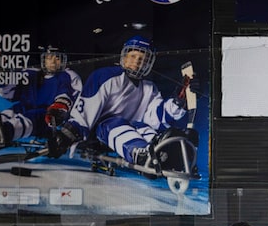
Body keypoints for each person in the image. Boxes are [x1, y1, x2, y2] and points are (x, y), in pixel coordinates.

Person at [56, 35, 190, 167]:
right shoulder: (104, 76)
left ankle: (160, 149)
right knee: (114, 122)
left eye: (142, 59)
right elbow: (84, 112)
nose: (137, 61)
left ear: (148, 63)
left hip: (130, 130)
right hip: (99, 135)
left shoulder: (150, 88)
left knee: (142, 126)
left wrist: (178, 102)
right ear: (124, 58)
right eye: (133, 56)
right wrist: (67, 134)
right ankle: (140, 153)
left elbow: (155, 118)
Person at [0, 44, 82, 148]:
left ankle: (4, 132)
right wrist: (0, 74)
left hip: (48, 118)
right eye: (49, 57)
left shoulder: (67, 75)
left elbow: (67, 95)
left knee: (31, 117)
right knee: (11, 112)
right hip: (26, 109)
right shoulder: (31, 73)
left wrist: (59, 108)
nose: (52, 61)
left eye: (57, 57)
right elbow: (9, 93)